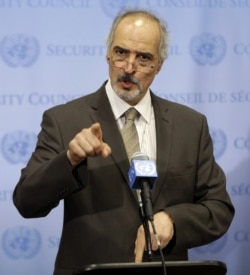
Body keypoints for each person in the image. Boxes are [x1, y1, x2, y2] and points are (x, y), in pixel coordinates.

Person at [13, 9, 234, 275]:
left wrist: (173, 221)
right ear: (108, 52)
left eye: (143, 58)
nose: (128, 68)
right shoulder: (64, 120)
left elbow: (218, 208)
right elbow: (26, 202)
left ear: (159, 64)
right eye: (121, 53)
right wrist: (69, 160)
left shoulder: (190, 125)